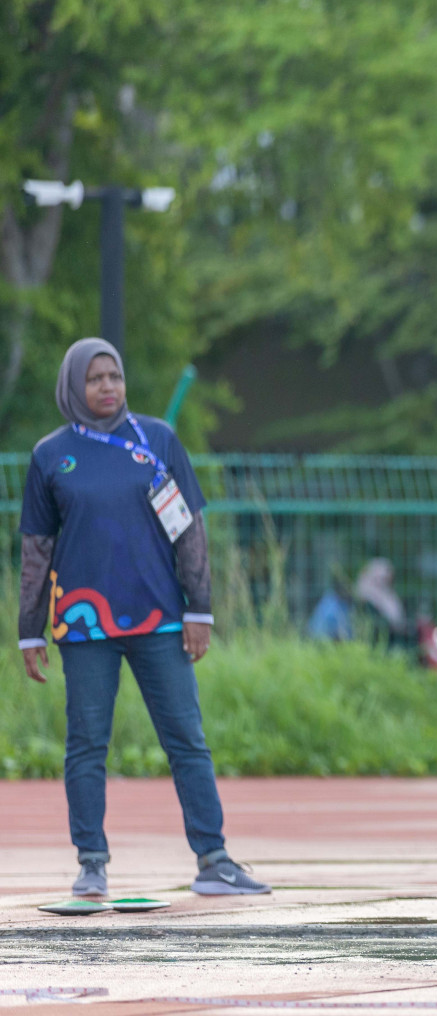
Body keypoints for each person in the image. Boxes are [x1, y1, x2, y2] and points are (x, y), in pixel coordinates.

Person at [17, 338, 269, 898]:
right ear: (73, 386)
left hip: (160, 619)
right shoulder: (49, 455)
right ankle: (91, 863)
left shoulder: (155, 441)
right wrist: (29, 629)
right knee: (86, 743)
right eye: (95, 378)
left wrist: (198, 608)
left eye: (115, 376)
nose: (108, 386)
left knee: (186, 738)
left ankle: (214, 859)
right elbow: (36, 549)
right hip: (84, 628)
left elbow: (189, 532)